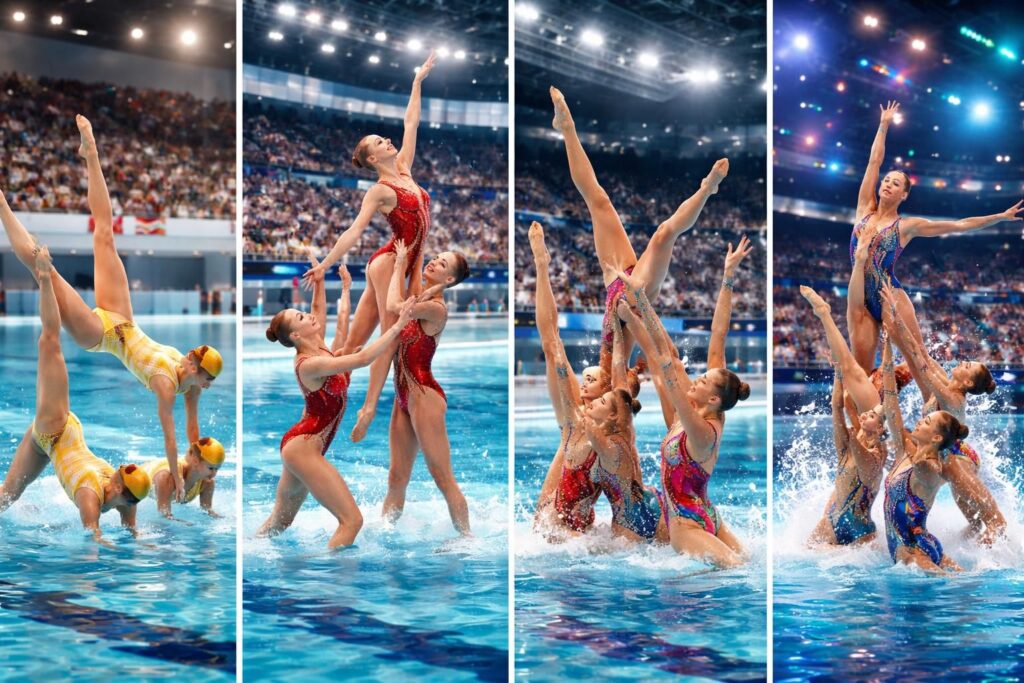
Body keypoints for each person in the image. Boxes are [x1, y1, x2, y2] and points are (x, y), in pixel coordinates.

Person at [0, 116, 222, 502]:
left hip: (101, 335)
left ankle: (2, 206)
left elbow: (188, 434)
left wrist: (193, 469)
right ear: (194, 365)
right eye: (204, 377)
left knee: (43, 269)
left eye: (206, 381)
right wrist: (179, 474)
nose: (204, 384)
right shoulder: (171, 385)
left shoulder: (183, 388)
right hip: (123, 320)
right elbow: (171, 437)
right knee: (105, 231)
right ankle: (91, 153)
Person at [302, 52, 438, 443]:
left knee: (349, 345)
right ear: (372, 158)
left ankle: (324, 402)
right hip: (389, 263)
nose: (388, 139)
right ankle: (369, 406)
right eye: (380, 141)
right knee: (393, 332)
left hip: (405, 262)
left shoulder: (407, 171)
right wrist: (326, 264)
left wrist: (417, 82)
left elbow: (411, 122)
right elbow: (352, 232)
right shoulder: (380, 190)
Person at [550, 86, 728, 384]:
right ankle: (706, 189)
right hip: (637, 292)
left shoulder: (604, 373)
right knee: (662, 235)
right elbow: (666, 357)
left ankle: (567, 129)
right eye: (590, 382)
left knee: (599, 202)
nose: (586, 381)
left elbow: (551, 344)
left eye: (587, 382)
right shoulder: (615, 374)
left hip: (614, 284)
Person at [847, 100, 1023, 371]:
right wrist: (883, 125)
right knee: (861, 371)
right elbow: (874, 161)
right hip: (860, 297)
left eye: (895, 183)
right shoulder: (863, 210)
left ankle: (943, 406)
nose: (887, 184)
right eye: (886, 180)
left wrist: (998, 217)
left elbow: (960, 225)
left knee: (919, 360)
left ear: (904, 194)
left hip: (888, 293)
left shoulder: (906, 226)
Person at [258, 257, 415, 548]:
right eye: (301, 317)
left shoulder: (320, 348)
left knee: (279, 524)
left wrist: (328, 283)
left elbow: (322, 311)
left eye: (303, 312)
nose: (308, 315)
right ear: (295, 335)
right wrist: (396, 328)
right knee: (352, 521)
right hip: (303, 448)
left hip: (300, 446)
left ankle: (247, 546)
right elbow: (362, 358)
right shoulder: (309, 364)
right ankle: (329, 582)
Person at [0, 247, 150, 544]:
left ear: (124, 494)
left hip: (48, 443)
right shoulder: (90, 496)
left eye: (119, 474)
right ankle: (44, 278)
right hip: (55, 426)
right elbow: (93, 539)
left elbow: (131, 534)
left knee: (6, 497)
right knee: (50, 342)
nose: (117, 470)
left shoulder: (130, 502)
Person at [617, 269, 749, 567]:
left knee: (737, 571)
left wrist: (639, 301)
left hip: (687, 525)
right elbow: (718, 337)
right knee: (746, 563)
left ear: (713, 399)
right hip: (707, 514)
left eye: (703, 381)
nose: (696, 381)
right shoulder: (699, 414)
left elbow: (663, 358)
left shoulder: (701, 429)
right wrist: (727, 276)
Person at [879, 281, 1006, 544]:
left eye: (967, 365)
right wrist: (895, 327)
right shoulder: (948, 386)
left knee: (992, 522)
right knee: (973, 526)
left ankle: (999, 550)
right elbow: (922, 355)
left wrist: (896, 321)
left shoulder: (950, 396)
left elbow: (920, 359)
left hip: (957, 459)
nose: (962, 361)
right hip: (946, 450)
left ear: (968, 383)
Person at [377, 240, 472, 535]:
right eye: (435, 257)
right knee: (396, 477)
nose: (434, 262)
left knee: (442, 477)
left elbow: (394, 307)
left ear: (449, 280)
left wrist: (401, 264)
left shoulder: (436, 309)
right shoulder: (423, 297)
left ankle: (466, 538)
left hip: (424, 395)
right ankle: (385, 533)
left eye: (442, 264)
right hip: (403, 396)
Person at [879, 334, 963, 573]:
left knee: (957, 586)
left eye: (926, 422)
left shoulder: (928, 467)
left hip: (913, 550)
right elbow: (891, 403)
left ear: (936, 438)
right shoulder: (906, 451)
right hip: (916, 545)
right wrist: (887, 352)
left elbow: (940, 472)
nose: (919, 422)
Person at [139, 437, 226, 520]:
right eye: (211, 468)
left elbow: (207, 511)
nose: (214, 473)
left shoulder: (207, 483)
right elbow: (163, 514)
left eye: (217, 469)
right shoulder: (167, 478)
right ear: (196, 461)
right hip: (136, 479)